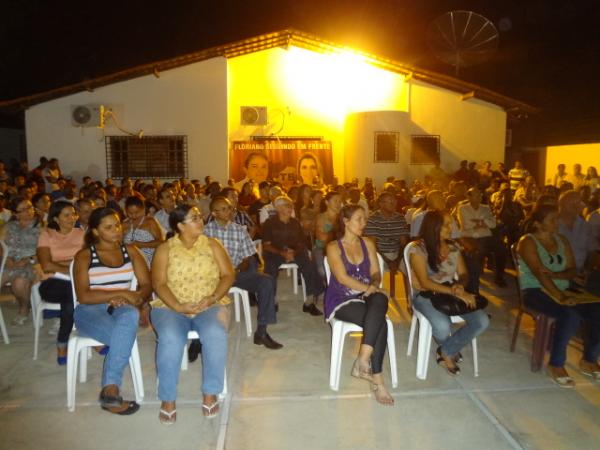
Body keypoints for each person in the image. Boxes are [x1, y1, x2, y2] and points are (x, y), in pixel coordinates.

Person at [151, 204, 234, 424]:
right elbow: (158, 284)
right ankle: (168, 398)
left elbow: (228, 275)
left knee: (215, 332)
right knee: (170, 338)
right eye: (194, 218)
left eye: (199, 217)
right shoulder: (165, 249)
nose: (201, 221)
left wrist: (213, 297)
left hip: (210, 304)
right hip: (170, 306)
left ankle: (210, 392)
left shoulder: (212, 245)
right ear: (180, 225)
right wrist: (178, 306)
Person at [73, 208, 152, 415]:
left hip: (121, 309)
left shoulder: (131, 251)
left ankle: (110, 389)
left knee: (130, 316)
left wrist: (137, 298)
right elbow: (83, 296)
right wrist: (120, 293)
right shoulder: (84, 256)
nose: (117, 230)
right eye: (108, 227)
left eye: (117, 225)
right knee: (124, 336)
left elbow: (146, 284)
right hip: (89, 311)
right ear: (96, 232)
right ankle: (111, 390)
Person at [517, 204, 600, 387]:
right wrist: (561, 297)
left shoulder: (561, 240)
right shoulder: (528, 241)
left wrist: (556, 276)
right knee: (570, 314)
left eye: (557, 218)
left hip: (563, 288)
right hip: (535, 291)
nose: (558, 222)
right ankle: (556, 364)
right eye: (553, 219)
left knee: (597, 309)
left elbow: (572, 270)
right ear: (538, 224)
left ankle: (589, 359)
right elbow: (540, 276)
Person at [325, 204, 394, 406]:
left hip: (367, 296)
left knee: (379, 301)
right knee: (379, 321)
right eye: (359, 219)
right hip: (342, 298)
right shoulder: (333, 247)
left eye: (365, 219)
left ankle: (362, 359)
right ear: (346, 222)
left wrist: (373, 285)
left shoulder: (368, 244)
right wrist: (371, 289)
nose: (364, 223)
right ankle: (378, 381)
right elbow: (342, 278)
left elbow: (376, 273)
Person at [408, 211, 490, 375]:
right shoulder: (418, 250)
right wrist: (456, 292)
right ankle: (449, 351)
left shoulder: (453, 247)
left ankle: (446, 351)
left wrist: (459, 286)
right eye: (446, 224)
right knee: (442, 326)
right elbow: (425, 282)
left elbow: (464, 274)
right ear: (434, 227)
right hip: (425, 294)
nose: (451, 227)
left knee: (482, 321)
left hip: (450, 292)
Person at [205, 196, 282, 349]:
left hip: (235, 273)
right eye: (224, 209)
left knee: (267, 281)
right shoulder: (204, 232)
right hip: (211, 276)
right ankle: (197, 341)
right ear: (214, 213)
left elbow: (247, 257)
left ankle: (262, 331)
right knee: (200, 289)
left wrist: (235, 270)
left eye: (230, 208)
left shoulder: (239, 230)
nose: (230, 211)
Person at [36, 201, 85, 364]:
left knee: (72, 298)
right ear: (56, 218)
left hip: (75, 280)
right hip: (52, 283)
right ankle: (83, 337)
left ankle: (63, 343)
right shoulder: (46, 235)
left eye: (74, 214)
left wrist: (62, 265)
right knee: (73, 295)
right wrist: (72, 264)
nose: (72, 218)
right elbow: (46, 265)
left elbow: (87, 260)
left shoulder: (81, 233)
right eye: (67, 215)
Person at [262, 196, 324, 315]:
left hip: (295, 251)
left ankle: (309, 302)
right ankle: (271, 301)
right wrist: (282, 252)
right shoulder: (269, 223)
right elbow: (266, 245)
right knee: (270, 267)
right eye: (287, 205)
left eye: (291, 205)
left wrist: (293, 252)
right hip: (276, 251)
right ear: (278, 208)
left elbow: (302, 243)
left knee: (309, 265)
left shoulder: (295, 222)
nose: (290, 208)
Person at [1, 197, 42, 325]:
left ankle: (24, 307)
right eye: (23, 209)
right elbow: (0, 245)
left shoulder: (42, 227)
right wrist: (5, 258)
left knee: (18, 283)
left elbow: (45, 250)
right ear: (15, 214)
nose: (28, 211)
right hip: (8, 262)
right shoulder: (9, 226)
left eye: (29, 207)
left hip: (31, 263)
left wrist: (28, 259)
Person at [457, 188, 506, 289]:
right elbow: (467, 225)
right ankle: (474, 280)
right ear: (468, 197)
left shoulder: (486, 208)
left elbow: (493, 224)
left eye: (480, 195)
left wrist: (477, 222)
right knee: (478, 249)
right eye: (476, 195)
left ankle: (499, 277)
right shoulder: (462, 208)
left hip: (486, 237)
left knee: (501, 248)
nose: (479, 197)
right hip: (469, 237)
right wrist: (484, 221)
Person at [364, 192, 409, 273]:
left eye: (394, 201)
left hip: (398, 253)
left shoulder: (400, 218)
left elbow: (403, 243)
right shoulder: (373, 219)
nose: (394, 204)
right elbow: (372, 245)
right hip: (380, 254)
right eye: (390, 202)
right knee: (381, 276)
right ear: (381, 204)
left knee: (407, 275)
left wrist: (397, 260)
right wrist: (388, 261)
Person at [123, 196, 164, 265]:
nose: (134, 215)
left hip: (151, 261)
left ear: (143, 209)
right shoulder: (124, 225)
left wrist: (141, 244)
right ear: (126, 211)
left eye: (137, 212)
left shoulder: (150, 222)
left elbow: (160, 243)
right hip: (131, 262)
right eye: (130, 213)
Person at [314, 191, 342, 278]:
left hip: (341, 248)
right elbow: (321, 237)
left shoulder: (343, 217)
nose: (338, 204)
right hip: (322, 248)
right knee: (323, 271)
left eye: (340, 201)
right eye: (335, 201)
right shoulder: (321, 217)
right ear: (327, 202)